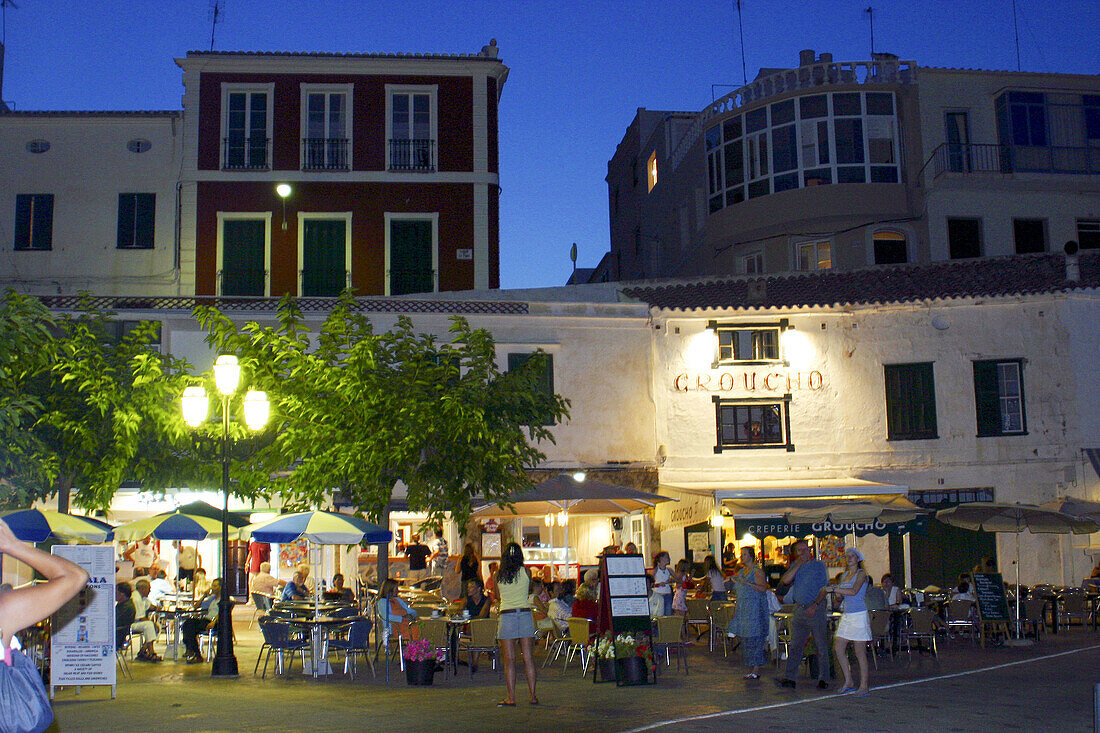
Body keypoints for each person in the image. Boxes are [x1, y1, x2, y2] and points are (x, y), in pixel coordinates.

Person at [775, 539, 831, 691]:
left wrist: (816, 604)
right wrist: (799, 563)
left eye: (805, 549)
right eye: (799, 550)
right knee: (796, 645)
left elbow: (824, 588)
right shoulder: (796, 567)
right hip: (800, 609)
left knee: (821, 645)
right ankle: (790, 677)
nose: (803, 552)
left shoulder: (818, 566)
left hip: (815, 607)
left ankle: (823, 678)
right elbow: (785, 580)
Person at [494, 542, 538, 707]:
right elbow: (527, 592)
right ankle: (532, 695)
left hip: (507, 616)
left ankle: (511, 697)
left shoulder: (497, 574)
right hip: (525, 614)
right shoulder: (527, 572)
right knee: (528, 658)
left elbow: (498, 597)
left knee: (509, 660)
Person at [828, 548, 871, 697]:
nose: (850, 559)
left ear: (858, 559)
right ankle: (849, 681)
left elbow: (853, 591)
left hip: (858, 614)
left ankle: (864, 685)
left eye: (853, 556)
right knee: (839, 646)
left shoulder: (861, 574)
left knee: (859, 652)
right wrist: (836, 596)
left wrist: (834, 589)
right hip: (847, 614)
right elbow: (841, 596)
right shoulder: (845, 575)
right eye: (847, 557)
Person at [728, 546, 769, 680]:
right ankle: (751, 666)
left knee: (755, 638)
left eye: (744, 554)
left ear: (750, 556)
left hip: (755, 608)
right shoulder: (741, 572)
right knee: (746, 638)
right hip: (743, 608)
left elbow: (763, 589)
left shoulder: (757, 572)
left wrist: (747, 583)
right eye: (742, 554)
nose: (742, 557)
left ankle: (756, 668)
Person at [181, 578, 221, 663]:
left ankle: (194, 652)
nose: (212, 588)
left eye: (215, 586)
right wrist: (204, 596)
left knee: (191, 628)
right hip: (206, 619)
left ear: (220, 587)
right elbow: (196, 606)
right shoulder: (212, 599)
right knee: (188, 623)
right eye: (212, 585)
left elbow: (222, 613)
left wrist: (213, 622)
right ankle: (191, 650)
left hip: (214, 622)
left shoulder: (224, 600)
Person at [375, 577, 418, 643]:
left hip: (406, 624)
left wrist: (412, 615)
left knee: (421, 628)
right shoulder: (382, 602)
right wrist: (402, 618)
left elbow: (408, 610)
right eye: (396, 588)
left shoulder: (397, 599)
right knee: (416, 631)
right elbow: (386, 616)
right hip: (397, 627)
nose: (398, 590)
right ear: (390, 589)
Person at [131, 578, 161, 662]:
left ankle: (143, 651)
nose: (150, 591)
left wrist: (156, 608)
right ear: (143, 589)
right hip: (132, 623)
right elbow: (140, 617)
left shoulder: (142, 597)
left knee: (154, 626)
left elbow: (149, 605)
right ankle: (151, 652)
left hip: (138, 621)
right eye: (149, 589)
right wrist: (152, 623)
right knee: (149, 625)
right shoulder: (135, 598)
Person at [115, 582, 136, 652]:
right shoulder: (125, 605)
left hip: (116, 638)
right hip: (119, 636)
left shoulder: (125, 608)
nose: (114, 594)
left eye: (116, 592)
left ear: (122, 594)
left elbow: (115, 621)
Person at [652, 551, 674, 615]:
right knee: (659, 613)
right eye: (667, 557)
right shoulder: (655, 570)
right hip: (658, 594)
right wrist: (658, 584)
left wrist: (671, 580)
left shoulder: (669, 570)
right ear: (661, 559)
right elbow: (650, 584)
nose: (669, 559)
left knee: (668, 612)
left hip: (668, 594)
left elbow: (678, 580)